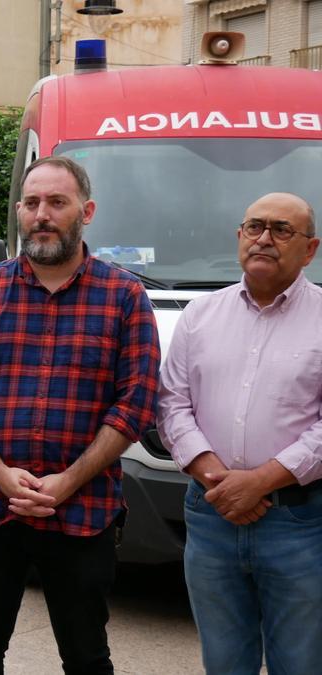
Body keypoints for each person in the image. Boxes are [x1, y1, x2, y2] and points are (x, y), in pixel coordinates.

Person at [0, 155, 160, 674]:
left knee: (86, 659)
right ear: (19, 210)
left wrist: (66, 482)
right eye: (33, 202)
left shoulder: (124, 296)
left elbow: (136, 403)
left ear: (86, 210)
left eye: (56, 202)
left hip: (83, 514)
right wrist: (1, 475)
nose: (43, 213)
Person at [157, 193, 322, 675]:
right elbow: (172, 404)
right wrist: (218, 479)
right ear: (239, 238)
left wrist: (263, 480)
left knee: (302, 662)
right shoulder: (199, 315)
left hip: (298, 521)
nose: (265, 239)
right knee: (225, 662)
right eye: (255, 227)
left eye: (282, 230)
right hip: (210, 519)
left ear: (310, 249)